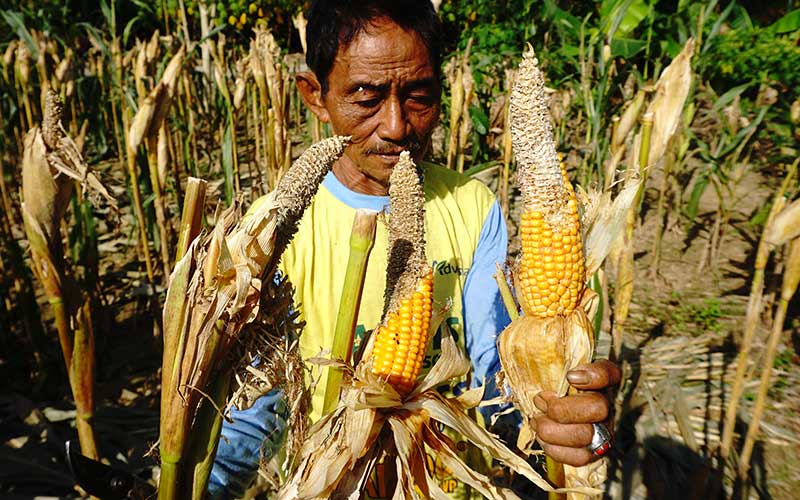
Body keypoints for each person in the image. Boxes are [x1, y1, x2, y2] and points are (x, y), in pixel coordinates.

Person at [208, 1, 621, 498]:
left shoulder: (472, 207)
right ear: (315, 95)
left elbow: (495, 380)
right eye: (366, 98)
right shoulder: (272, 228)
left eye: (420, 96)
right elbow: (256, 411)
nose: (397, 126)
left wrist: (568, 425)